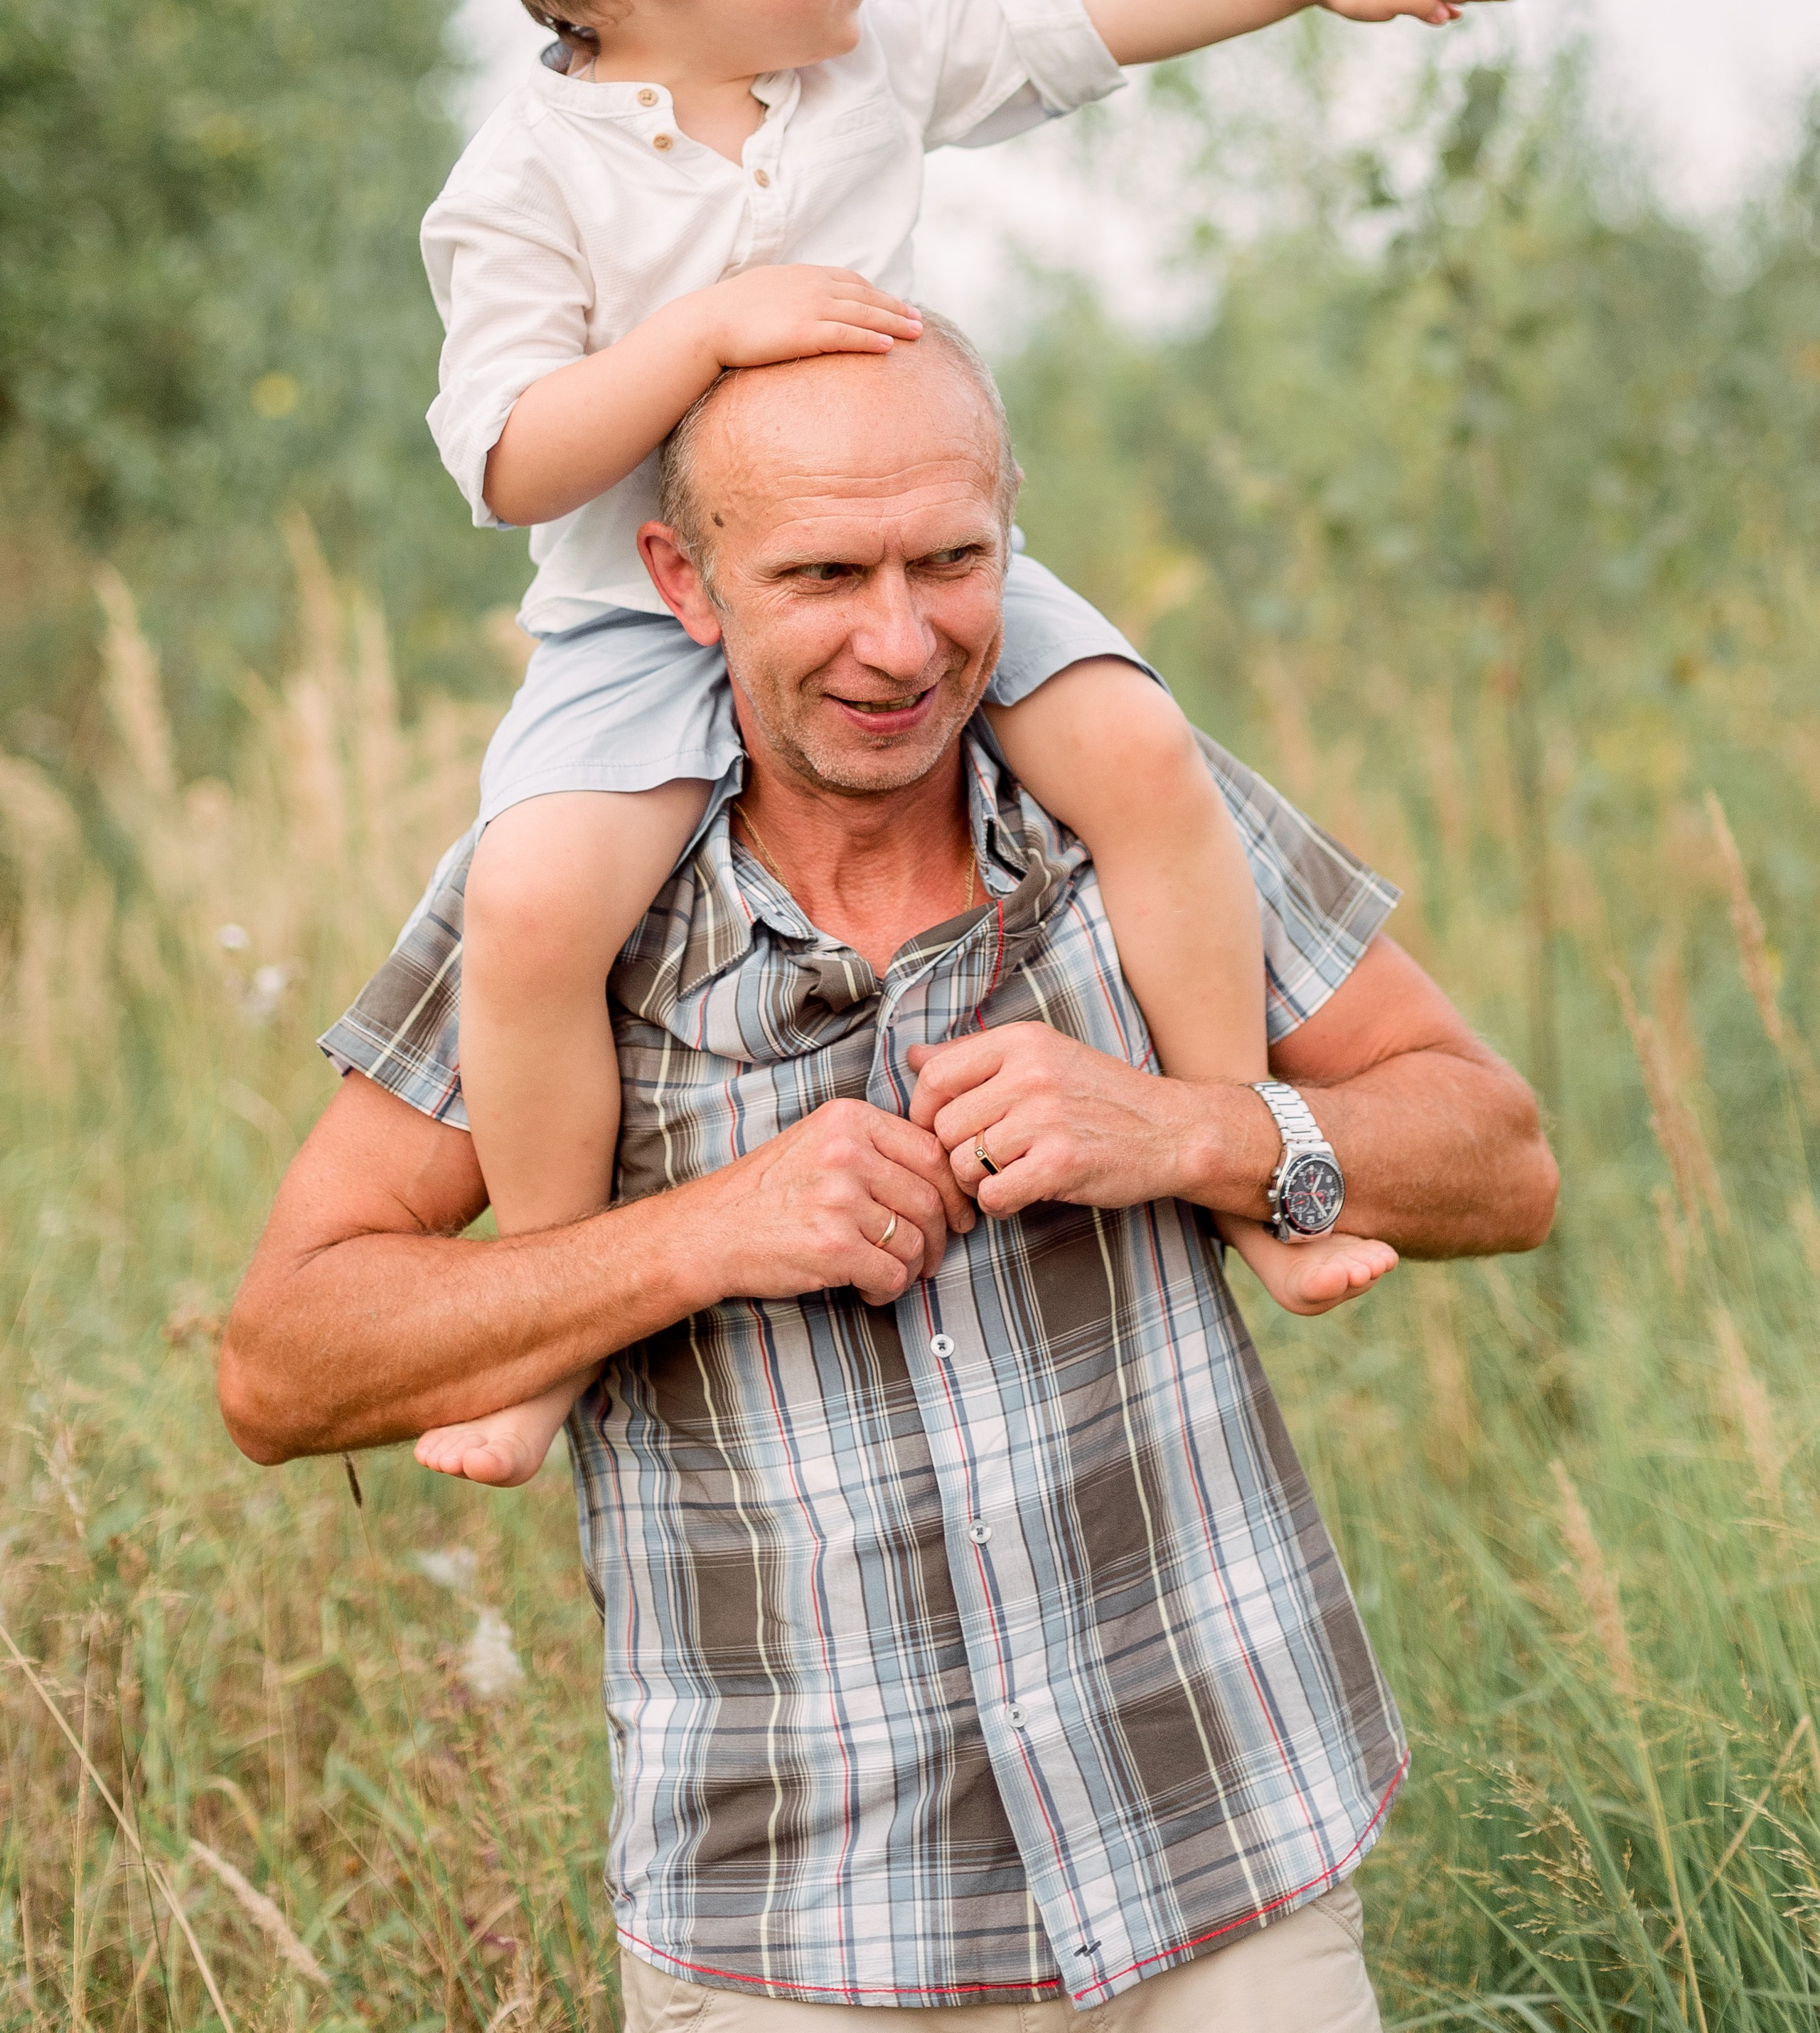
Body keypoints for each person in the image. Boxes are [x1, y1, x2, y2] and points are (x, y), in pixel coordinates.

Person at [220, 326, 1557, 2033]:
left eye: (952, 562)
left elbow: (1499, 1158)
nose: (901, 639)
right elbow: (278, 1364)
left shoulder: (1136, 814)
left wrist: (1196, 1131)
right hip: (800, 1943)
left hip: (1228, 1880)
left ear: (1014, 537)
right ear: (682, 584)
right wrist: (703, 1233)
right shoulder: (552, 906)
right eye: (823, 576)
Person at [419, 0, 1519, 1484]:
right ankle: (550, 1315)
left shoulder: (872, 68)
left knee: (1144, 760)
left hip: (918, 568)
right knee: (535, 905)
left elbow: (1079, 7)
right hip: (641, 616)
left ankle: (1237, 1160)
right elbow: (509, 457)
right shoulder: (523, 180)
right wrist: (704, 334)